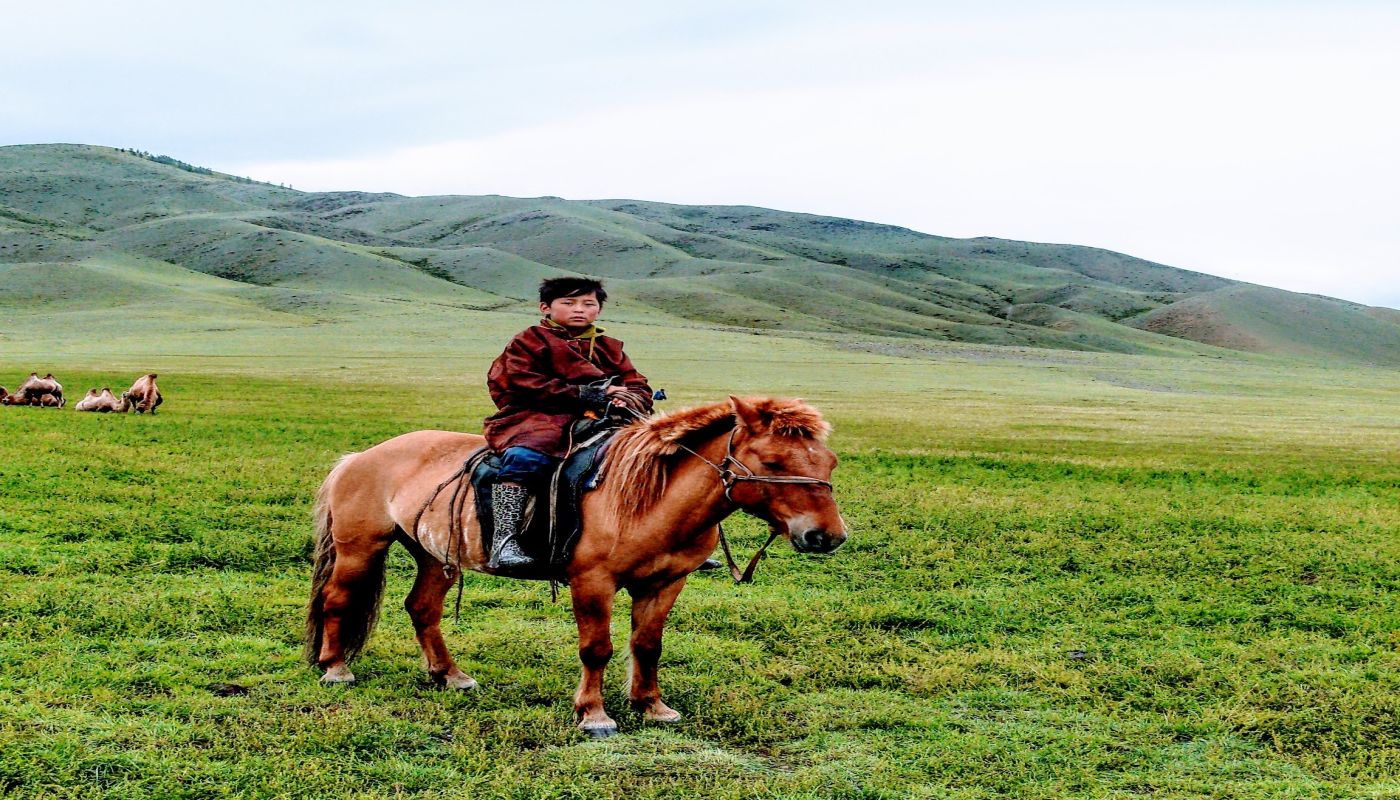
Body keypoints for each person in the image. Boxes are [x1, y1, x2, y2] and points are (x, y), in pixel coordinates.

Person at [482, 277, 653, 569]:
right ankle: (504, 541)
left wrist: (629, 399)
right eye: (568, 303)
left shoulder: (608, 347)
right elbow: (524, 382)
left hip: (602, 417)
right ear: (545, 307)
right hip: (537, 414)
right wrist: (591, 394)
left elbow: (636, 382)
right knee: (526, 456)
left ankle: (662, 542)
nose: (580, 310)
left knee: (653, 452)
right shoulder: (529, 341)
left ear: (598, 310)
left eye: (589, 304)